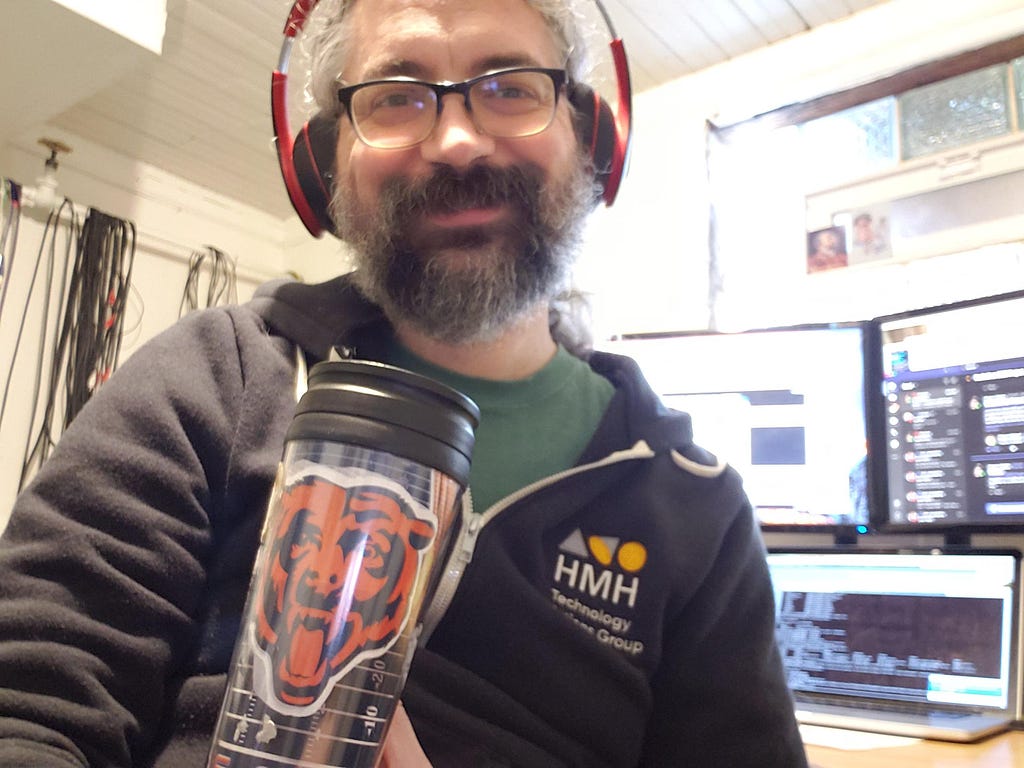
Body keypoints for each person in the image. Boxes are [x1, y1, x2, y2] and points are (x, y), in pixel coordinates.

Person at [0, 0, 808, 766]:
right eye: (394, 98)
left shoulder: (696, 512)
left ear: (590, 138)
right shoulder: (219, 376)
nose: (457, 142)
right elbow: (28, 704)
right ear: (326, 164)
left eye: (510, 88)